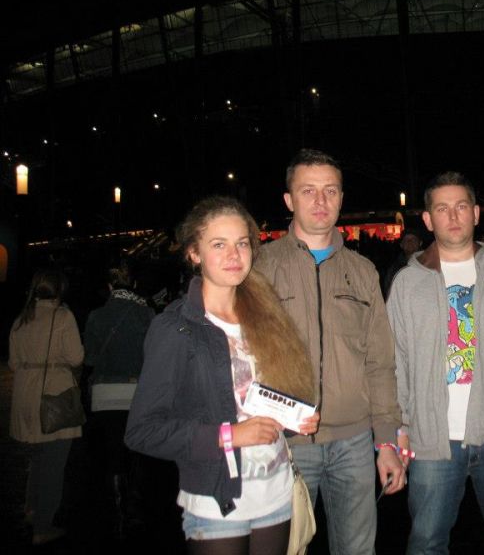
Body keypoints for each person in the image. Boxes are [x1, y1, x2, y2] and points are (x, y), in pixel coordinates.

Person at [125, 196, 320, 554]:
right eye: (219, 244)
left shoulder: (267, 315)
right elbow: (142, 431)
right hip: (218, 503)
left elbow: (269, 400)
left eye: (242, 243)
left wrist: (295, 418)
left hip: (276, 494)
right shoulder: (176, 328)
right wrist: (229, 436)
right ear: (194, 253)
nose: (234, 255)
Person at [253, 148, 405, 555]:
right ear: (289, 200)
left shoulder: (363, 271)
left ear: (341, 198)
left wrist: (386, 441)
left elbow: (380, 362)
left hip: (354, 443)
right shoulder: (259, 268)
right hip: (283, 442)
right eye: (308, 190)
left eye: (330, 190)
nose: (321, 200)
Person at [387, 171, 484, 554]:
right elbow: (395, 360)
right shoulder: (407, 283)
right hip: (432, 438)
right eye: (442, 208)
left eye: (461, 206)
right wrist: (400, 426)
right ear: (427, 219)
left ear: (476, 213)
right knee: (426, 542)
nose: (453, 216)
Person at [9, 268, 84, 545]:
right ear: (59, 289)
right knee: (54, 464)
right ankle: (43, 527)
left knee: (38, 459)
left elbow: (13, 362)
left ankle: (31, 509)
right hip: (53, 396)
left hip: (25, 396)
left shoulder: (22, 318)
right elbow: (76, 356)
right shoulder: (62, 316)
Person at [84, 264, 155, 538]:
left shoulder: (96, 316)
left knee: (113, 453)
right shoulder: (146, 314)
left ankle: (117, 506)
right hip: (137, 393)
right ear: (133, 285)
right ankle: (134, 506)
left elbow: (90, 357)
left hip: (105, 394)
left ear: (110, 287)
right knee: (137, 453)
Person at [383, 227, 423, 297]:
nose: (410, 242)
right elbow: (389, 292)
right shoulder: (394, 269)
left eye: (413, 239)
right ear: (401, 245)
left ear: (420, 243)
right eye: (406, 240)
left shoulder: (430, 264)